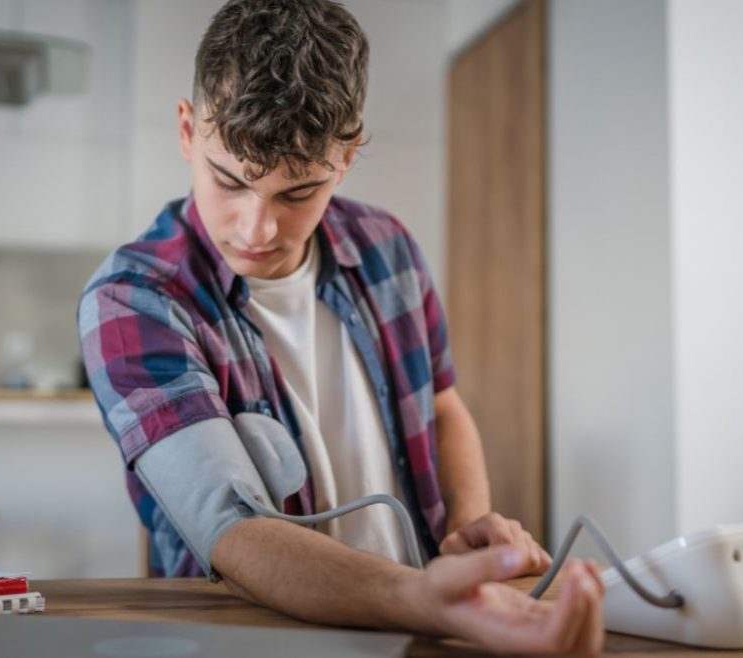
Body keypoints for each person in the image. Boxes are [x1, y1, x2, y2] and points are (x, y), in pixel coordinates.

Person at [78, 0, 604, 654]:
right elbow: (231, 530)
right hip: (252, 644)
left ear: (347, 156)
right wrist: (423, 598)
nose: (257, 229)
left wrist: (468, 529)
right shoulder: (133, 300)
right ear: (187, 131)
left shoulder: (387, 246)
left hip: (425, 630)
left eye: (297, 193)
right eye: (229, 181)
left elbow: (442, 408)